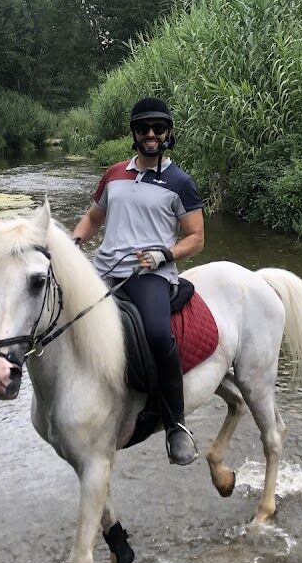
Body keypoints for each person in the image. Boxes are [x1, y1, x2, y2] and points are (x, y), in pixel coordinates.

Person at [71, 97, 205, 465]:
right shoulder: (114, 174)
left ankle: (176, 424)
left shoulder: (181, 182)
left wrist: (165, 254)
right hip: (104, 267)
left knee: (159, 335)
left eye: (157, 128)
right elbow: (94, 217)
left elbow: (196, 237)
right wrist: (75, 240)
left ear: (168, 133)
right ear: (134, 132)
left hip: (149, 273)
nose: (150, 134)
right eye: (143, 128)